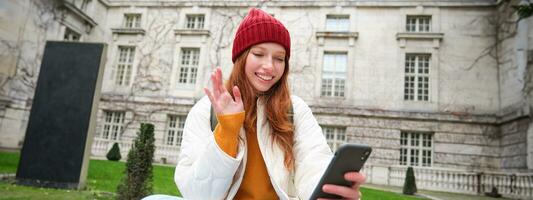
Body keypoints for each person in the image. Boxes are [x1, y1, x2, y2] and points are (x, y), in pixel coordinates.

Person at [174, 8, 365, 200]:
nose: (270, 66)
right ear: (241, 57)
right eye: (259, 54)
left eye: (279, 58)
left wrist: (326, 191)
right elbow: (197, 194)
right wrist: (227, 130)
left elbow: (313, 162)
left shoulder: (295, 110)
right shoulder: (205, 110)